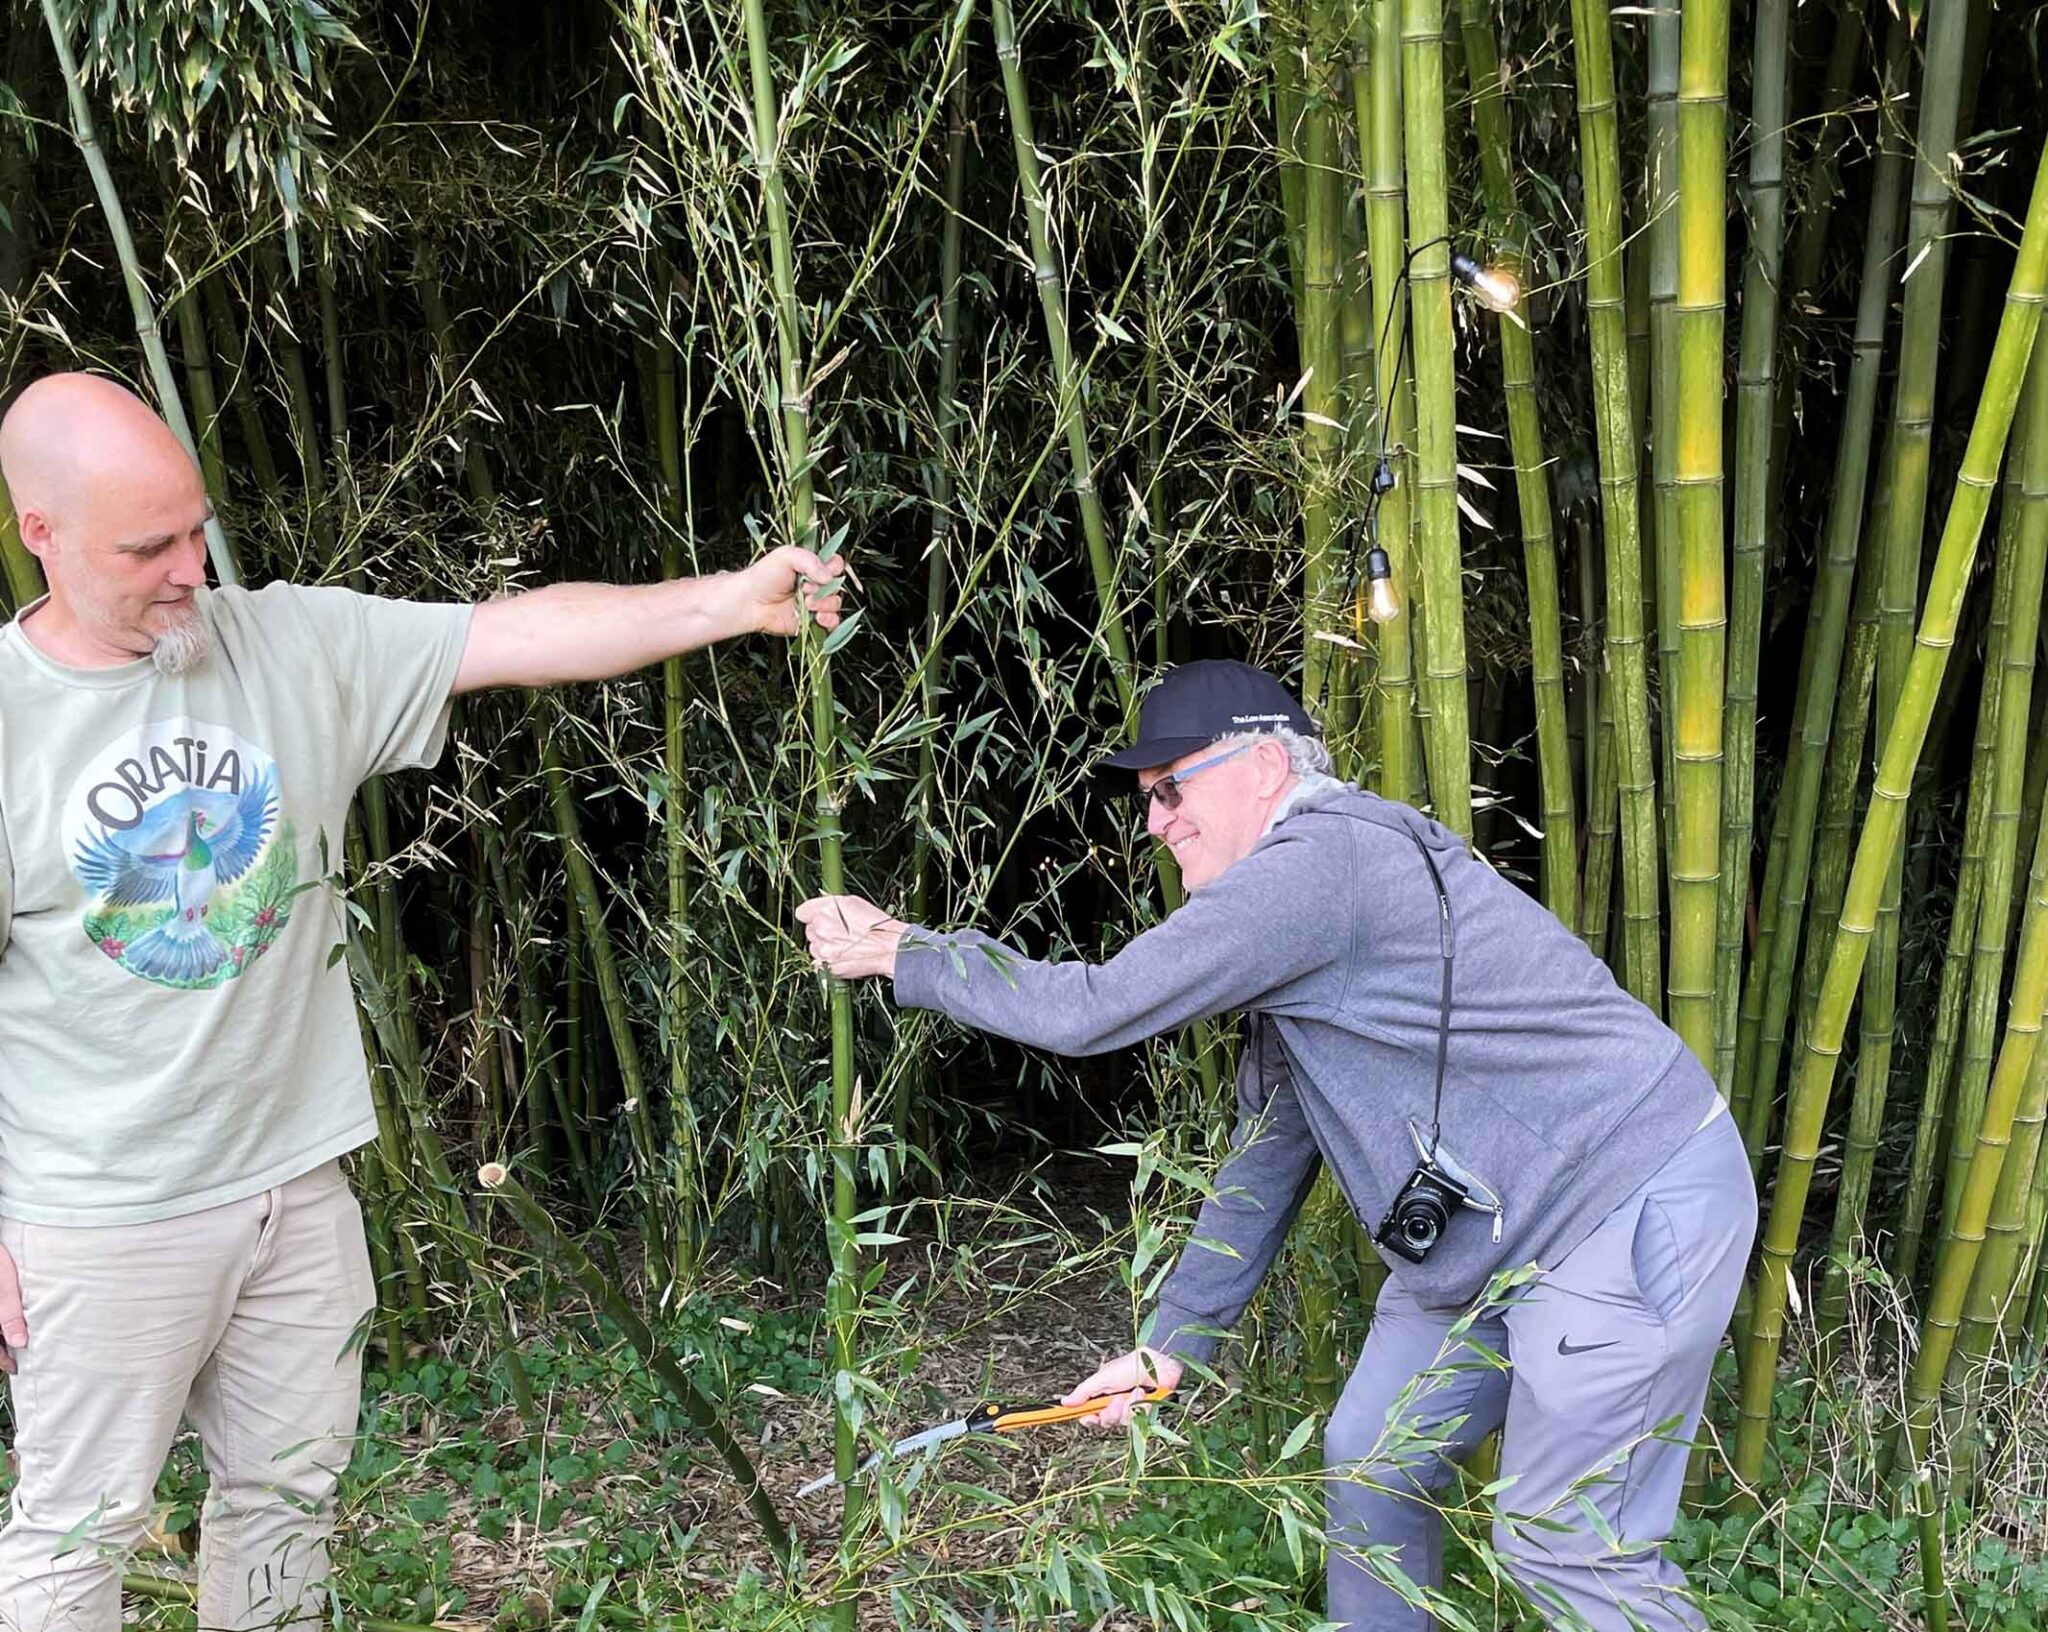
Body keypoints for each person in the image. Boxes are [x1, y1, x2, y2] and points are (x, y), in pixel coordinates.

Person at [0, 372, 845, 1632]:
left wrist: (728, 602)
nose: (192, 567)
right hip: (104, 1213)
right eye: (148, 546)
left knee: (286, 1498)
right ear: (42, 536)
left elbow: (512, 636)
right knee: (80, 1530)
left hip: (296, 1182)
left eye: (197, 528)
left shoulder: (284, 641)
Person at [798, 658, 1758, 1632]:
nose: (1154, 820)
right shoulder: (1305, 924)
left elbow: (1097, 1008)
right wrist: (1168, 1346)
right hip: (1488, 1232)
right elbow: (1265, 1153)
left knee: (1564, 1546)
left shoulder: (1313, 869)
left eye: (1171, 788)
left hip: (1618, 1204)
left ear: (1261, 766)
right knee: (1374, 1459)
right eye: (1144, 799)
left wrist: (906, 951)